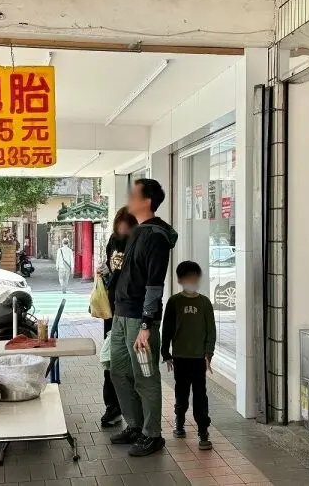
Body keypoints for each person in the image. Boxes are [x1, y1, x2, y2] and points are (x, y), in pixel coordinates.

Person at [109, 178, 177, 457]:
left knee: (145, 376)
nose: (129, 199)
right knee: (118, 371)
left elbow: (154, 285)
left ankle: (152, 434)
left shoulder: (156, 237)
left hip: (140, 320)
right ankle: (135, 425)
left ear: (146, 201)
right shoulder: (136, 232)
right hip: (121, 315)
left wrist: (147, 325)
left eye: (134, 195)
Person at [161, 261, 216, 450]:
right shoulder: (174, 302)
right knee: (181, 393)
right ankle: (180, 421)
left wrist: (209, 353)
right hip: (180, 357)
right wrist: (165, 352)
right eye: (187, 278)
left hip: (198, 358)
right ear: (180, 280)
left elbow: (211, 330)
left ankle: (203, 430)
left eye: (194, 278)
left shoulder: (205, 303)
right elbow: (167, 329)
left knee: (200, 395)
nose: (191, 281)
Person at [98, 207, 138, 428]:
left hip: (131, 310)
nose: (122, 231)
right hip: (112, 309)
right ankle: (112, 407)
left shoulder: (138, 244)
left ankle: (131, 412)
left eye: (126, 227)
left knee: (130, 364)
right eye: (119, 227)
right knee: (110, 359)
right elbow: (112, 269)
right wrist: (104, 274)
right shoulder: (113, 241)